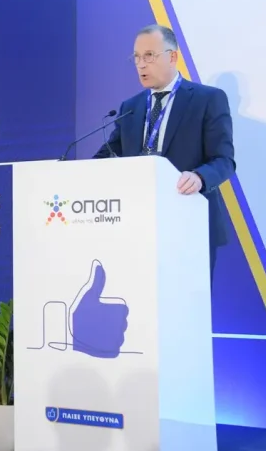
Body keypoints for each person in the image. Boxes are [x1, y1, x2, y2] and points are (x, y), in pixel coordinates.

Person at [93, 24, 235, 279]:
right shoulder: (130, 107)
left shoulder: (206, 99)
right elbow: (108, 154)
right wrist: (74, 172)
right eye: (136, 57)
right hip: (137, 224)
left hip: (189, 221)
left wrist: (200, 177)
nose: (141, 64)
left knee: (187, 299)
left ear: (172, 56)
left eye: (149, 56)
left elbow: (224, 160)